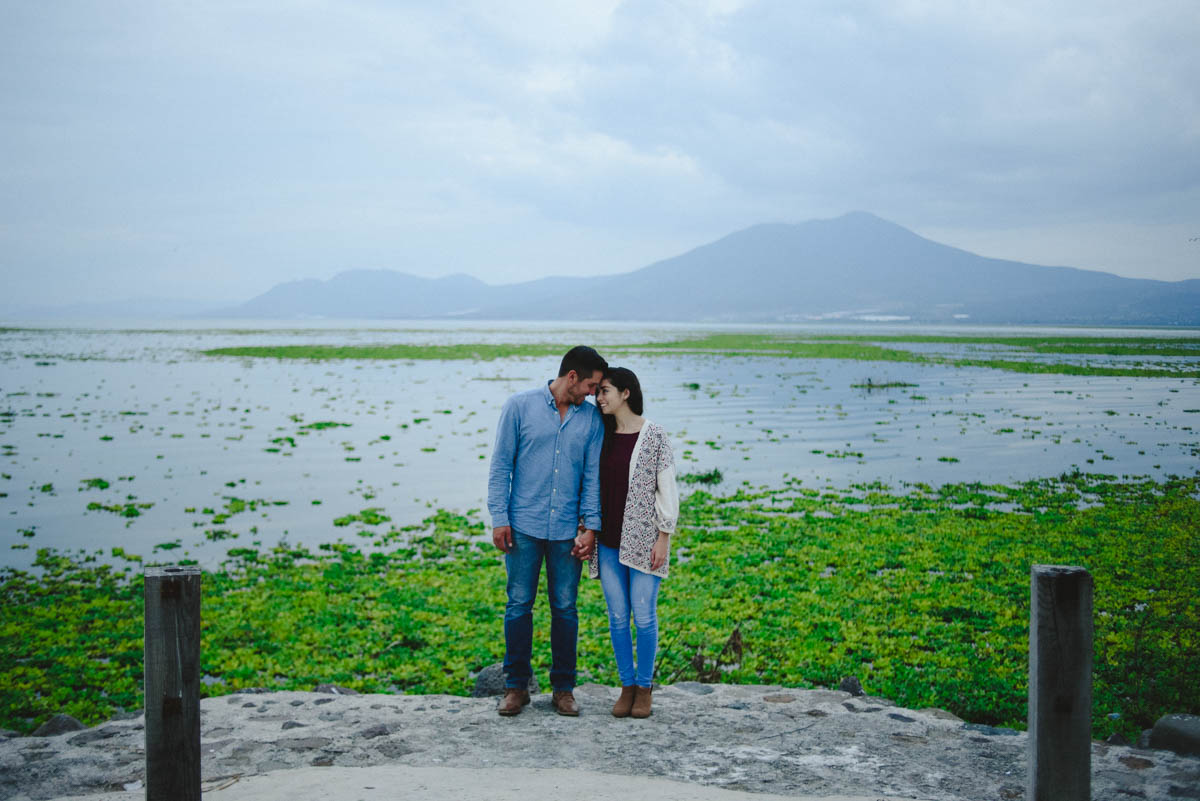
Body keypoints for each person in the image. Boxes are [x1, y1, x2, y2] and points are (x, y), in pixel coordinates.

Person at [487, 345, 607, 717]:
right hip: (523, 526)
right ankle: (515, 687)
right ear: (571, 377)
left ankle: (563, 689)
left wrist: (591, 528)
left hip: (567, 531)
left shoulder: (591, 421)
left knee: (566, 609)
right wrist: (499, 517)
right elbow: (500, 466)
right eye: (590, 385)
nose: (593, 393)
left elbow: (592, 478)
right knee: (518, 605)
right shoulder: (518, 407)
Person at [589, 366, 679, 719]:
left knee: (643, 616)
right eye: (598, 392)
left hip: (645, 542)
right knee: (616, 617)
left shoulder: (655, 435)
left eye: (605, 391)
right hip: (608, 542)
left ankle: (644, 688)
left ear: (626, 393)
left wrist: (664, 537)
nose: (599, 398)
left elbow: (667, 488)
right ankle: (626, 686)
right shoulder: (601, 434)